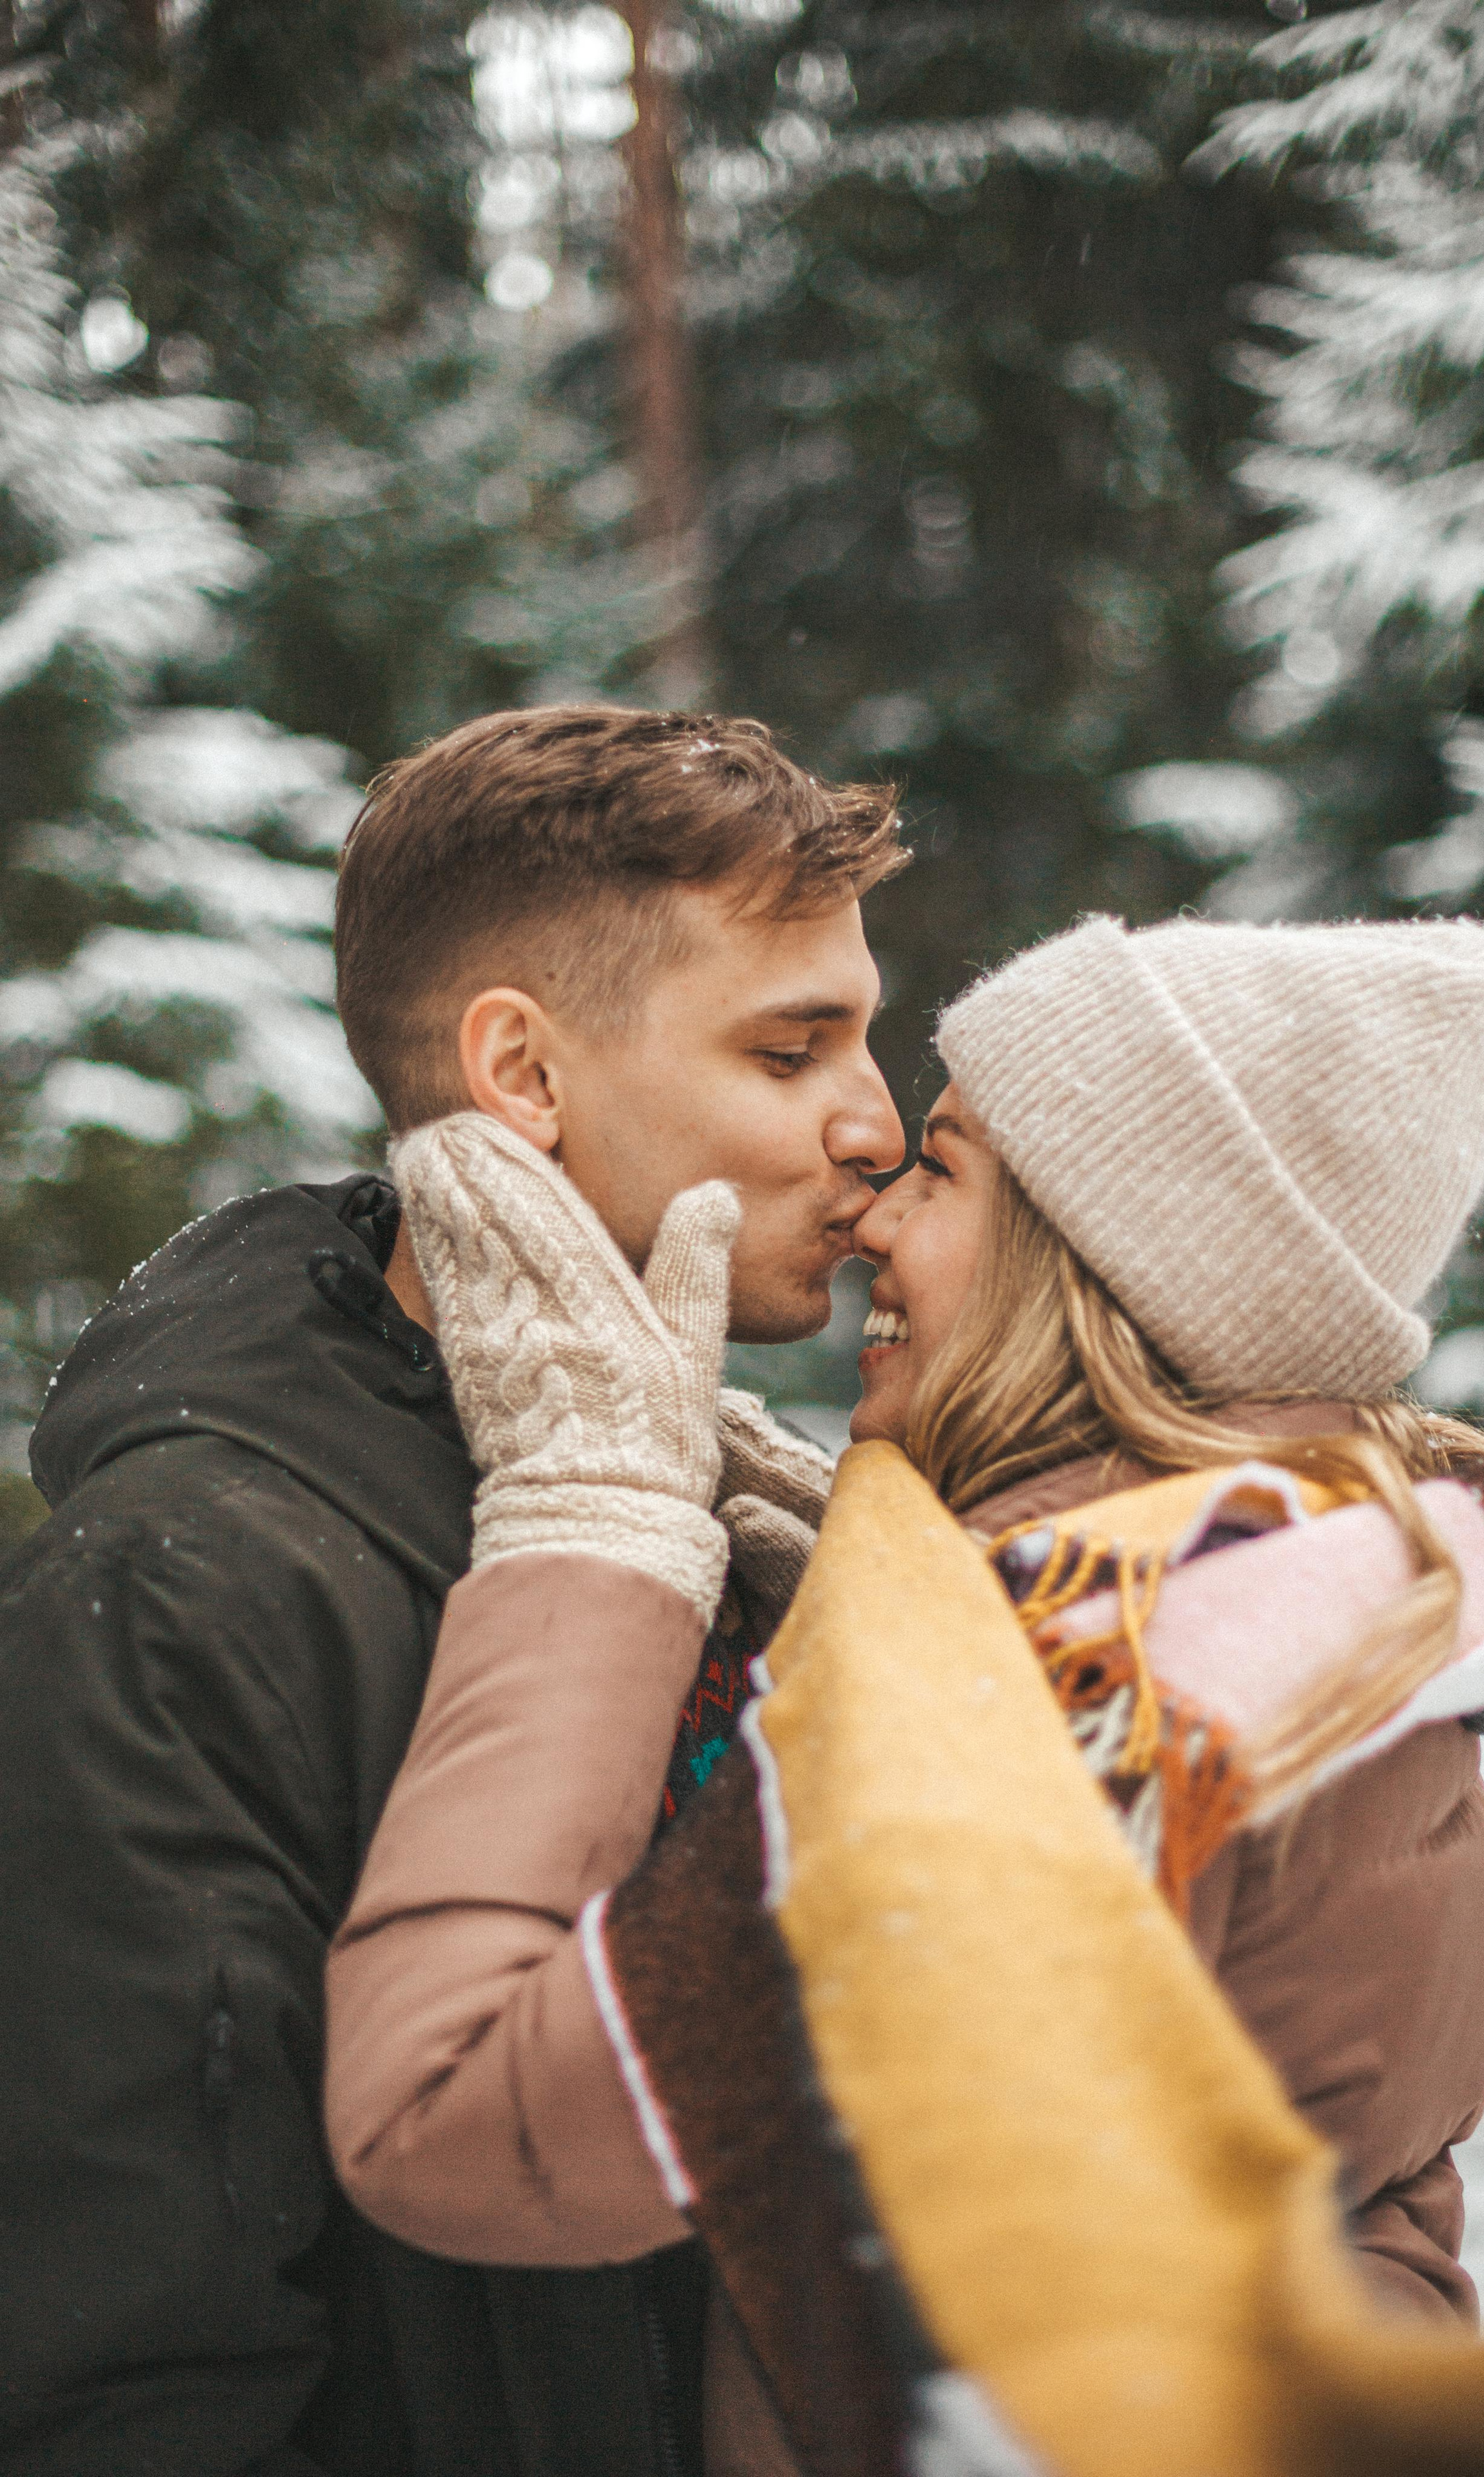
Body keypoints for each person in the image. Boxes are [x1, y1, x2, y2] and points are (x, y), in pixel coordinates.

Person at [324, 912, 1484, 2469]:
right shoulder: (1294, 1588)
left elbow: (454, 2122)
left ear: (1096, 1266)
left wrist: (589, 1522)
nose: (873, 1215)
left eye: (940, 1169)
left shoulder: (1070, 1676)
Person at [0, 703, 906, 2477]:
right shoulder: (184, 1596)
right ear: (525, 1075)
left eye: (868, 1042)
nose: (879, 1123)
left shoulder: (727, 1520)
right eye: (794, 1053)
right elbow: (125, 2371)